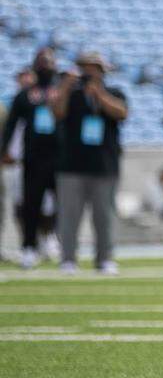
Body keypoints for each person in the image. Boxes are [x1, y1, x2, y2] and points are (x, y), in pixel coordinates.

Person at [51, 51, 129, 275]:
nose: (88, 71)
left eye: (93, 67)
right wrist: (65, 87)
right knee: (69, 216)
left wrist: (99, 94)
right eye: (84, 67)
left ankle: (104, 258)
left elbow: (122, 113)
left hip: (104, 165)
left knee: (104, 216)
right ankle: (68, 258)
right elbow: (56, 113)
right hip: (71, 164)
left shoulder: (113, 92)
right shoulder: (71, 94)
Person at [1, 47, 60, 269]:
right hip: (33, 158)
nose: (46, 65)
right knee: (30, 205)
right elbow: (11, 125)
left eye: (49, 61)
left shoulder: (62, 91)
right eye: (42, 61)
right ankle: (28, 246)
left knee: (59, 203)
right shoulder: (25, 95)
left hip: (60, 157)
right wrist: (4, 150)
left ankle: (53, 239)